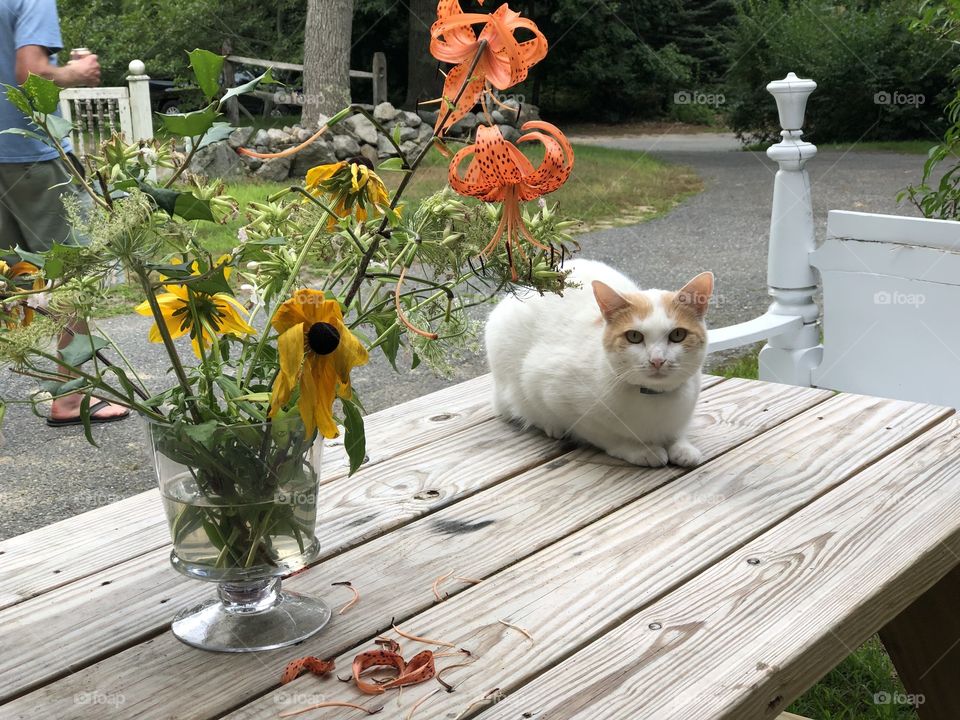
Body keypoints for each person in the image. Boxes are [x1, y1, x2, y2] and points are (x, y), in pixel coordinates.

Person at [0, 0, 128, 426]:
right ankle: (71, 398)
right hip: (29, 154)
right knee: (74, 271)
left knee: (7, 277)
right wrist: (77, 73)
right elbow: (31, 72)